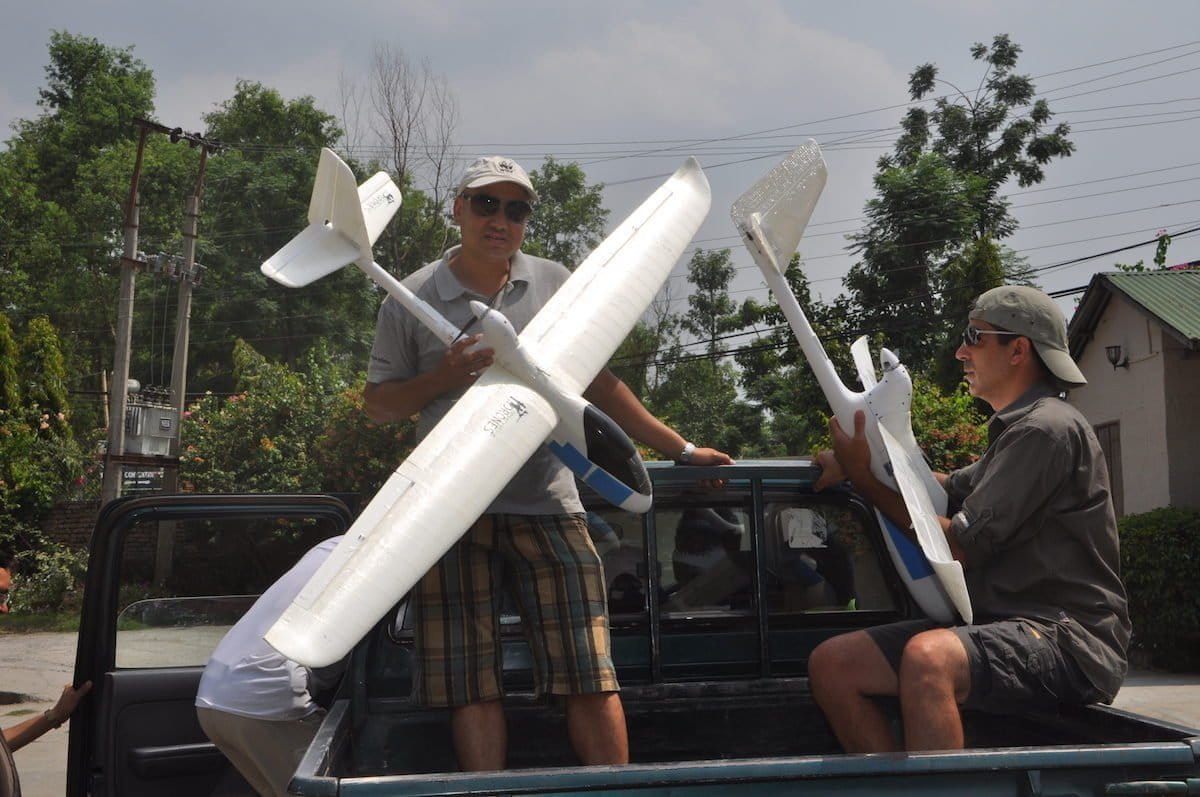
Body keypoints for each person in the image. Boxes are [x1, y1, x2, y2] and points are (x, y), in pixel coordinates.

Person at [364, 155, 733, 771]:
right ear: (457, 209)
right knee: (469, 683)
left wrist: (680, 448)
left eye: (516, 209)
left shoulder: (557, 281)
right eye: (486, 204)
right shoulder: (412, 296)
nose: (500, 220)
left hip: (551, 507)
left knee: (588, 671)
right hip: (451, 511)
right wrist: (443, 376)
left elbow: (601, 382)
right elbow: (378, 406)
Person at [807, 285, 1130, 753]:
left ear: (1018, 349)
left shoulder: (1045, 430)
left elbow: (955, 545)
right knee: (834, 664)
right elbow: (939, 487)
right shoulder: (1019, 432)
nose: (961, 352)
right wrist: (869, 461)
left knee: (929, 658)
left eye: (974, 337)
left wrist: (865, 482)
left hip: (1067, 640)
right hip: (1007, 627)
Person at [196, 537, 348, 797]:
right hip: (266, 701)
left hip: (214, 697)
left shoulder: (331, 547)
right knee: (329, 787)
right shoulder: (375, 554)